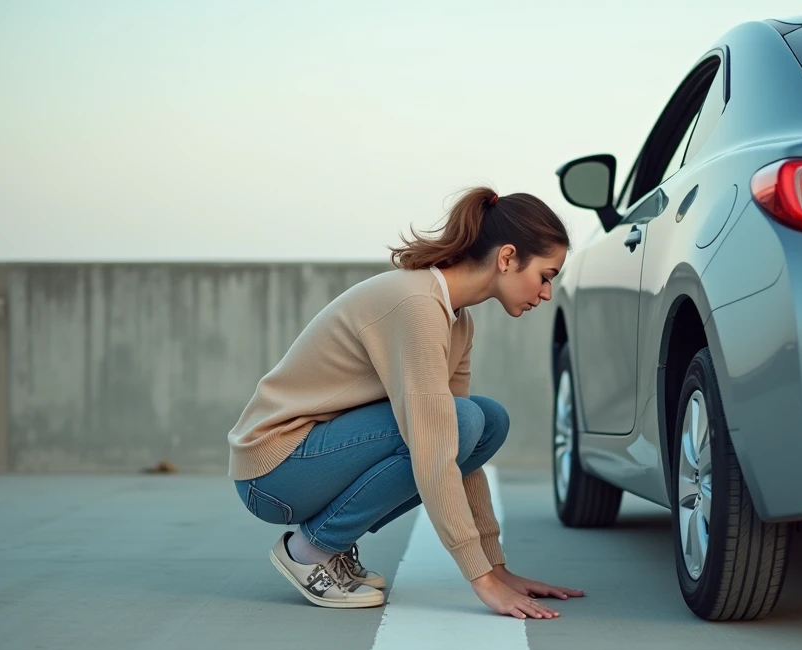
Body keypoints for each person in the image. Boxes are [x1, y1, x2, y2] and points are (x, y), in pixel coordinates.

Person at [227, 187, 585, 619]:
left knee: (487, 420)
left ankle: (326, 544)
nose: (546, 293)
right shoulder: (416, 305)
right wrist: (481, 581)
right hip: (274, 471)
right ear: (507, 257)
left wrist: (497, 567)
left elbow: (460, 454)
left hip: (312, 460)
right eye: (546, 276)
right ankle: (309, 551)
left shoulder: (457, 321)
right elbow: (436, 448)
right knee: (462, 420)